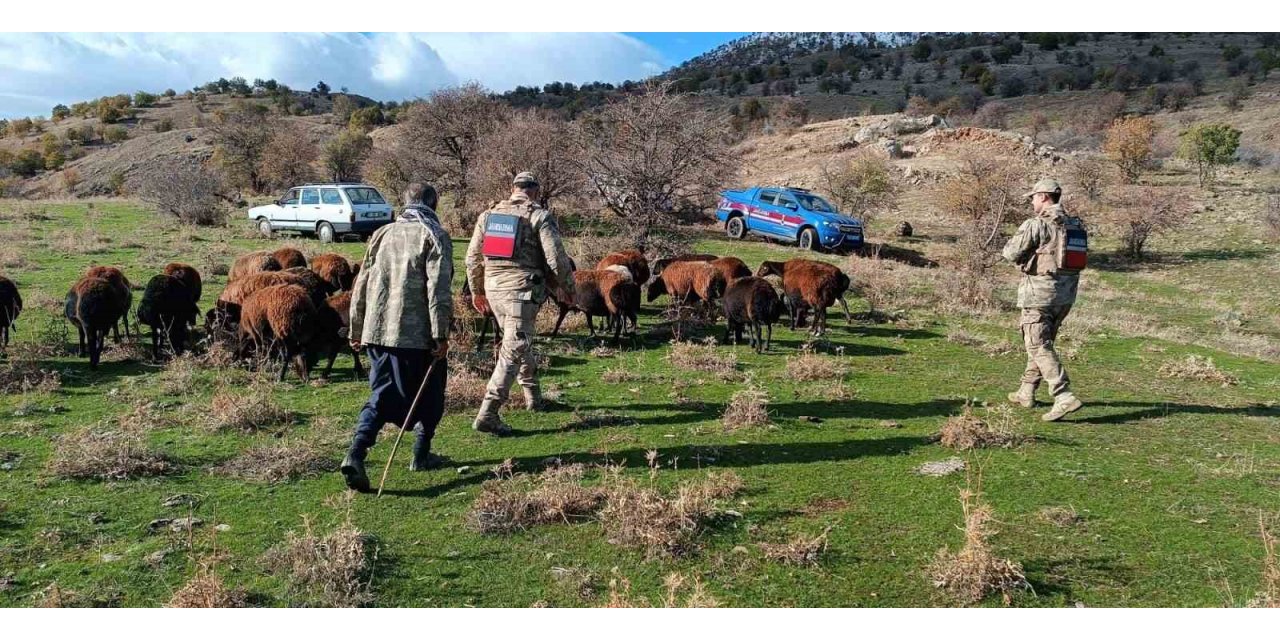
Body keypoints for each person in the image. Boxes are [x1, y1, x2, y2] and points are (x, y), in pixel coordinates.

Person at [340, 183, 454, 492]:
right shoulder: (435, 235)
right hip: (415, 335)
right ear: (434, 203)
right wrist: (441, 334)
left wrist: (357, 327)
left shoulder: (381, 233)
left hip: (377, 331)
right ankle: (405, 452)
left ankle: (375, 451)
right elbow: (438, 290)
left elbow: (361, 282)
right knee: (424, 394)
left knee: (387, 393)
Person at [465, 171, 574, 436]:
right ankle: (489, 412)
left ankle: (533, 397)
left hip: (494, 290)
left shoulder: (488, 216)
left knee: (518, 341)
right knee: (514, 348)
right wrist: (568, 289)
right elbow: (556, 259)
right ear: (535, 191)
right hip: (521, 292)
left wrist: (478, 291)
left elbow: (471, 258)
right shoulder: (539, 216)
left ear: (513, 189)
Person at [1001, 178, 1086, 422]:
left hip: (1039, 294)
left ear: (1044, 197)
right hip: (1066, 295)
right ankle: (1026, 390)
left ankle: (1063, 395)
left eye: (1034, 197)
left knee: (1037, 345)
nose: (1032, 201)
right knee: (1041, 344)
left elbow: (1011, 253)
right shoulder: (1075, 225)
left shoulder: (1036, 224)